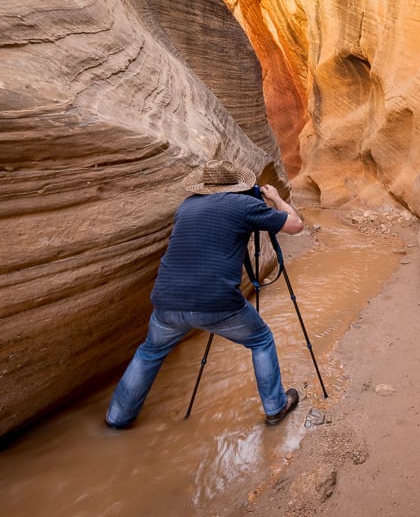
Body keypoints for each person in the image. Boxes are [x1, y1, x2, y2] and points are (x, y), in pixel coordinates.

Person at [105, 160, 304, 429]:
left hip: (167, 302)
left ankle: (117, 418)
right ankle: (275, 407)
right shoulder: (244, 205)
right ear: (240, 187)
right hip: (217, 303)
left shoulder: (186, 206)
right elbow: (295, 225)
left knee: (150, 351)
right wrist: (276, 199)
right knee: (261, 340)